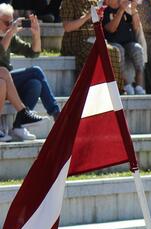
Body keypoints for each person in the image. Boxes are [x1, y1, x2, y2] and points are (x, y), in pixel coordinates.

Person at [0, 5, 51, 141]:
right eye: (6, 23)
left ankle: (19, 126)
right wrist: (10, 32)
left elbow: (34, 53)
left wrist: (36, 33)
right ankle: (54, 112)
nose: (9, 26)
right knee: (5, 74)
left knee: (34, 83)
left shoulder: (9, 36)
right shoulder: (8, 35)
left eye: (11, 22)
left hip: (5, 82)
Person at [61, 0, 122, 86]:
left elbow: (96, 22)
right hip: (77, 41)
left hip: (93, 39)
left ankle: (115, 89)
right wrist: (86, 16)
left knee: (115, 51)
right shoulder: (68, 2)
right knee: (108, 52)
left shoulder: (92, 2)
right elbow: (67, 27)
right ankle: (107, 87)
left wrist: (99, 17)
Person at [103, 0, 145, 95]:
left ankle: (139, 86)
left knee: (137, 49)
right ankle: (125, 84)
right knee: (119, 50)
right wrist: (121, 10)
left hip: (128, 42)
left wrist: (133, 10)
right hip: (112, 42)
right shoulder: (105, 10)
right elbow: (111, 29)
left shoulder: (127, 9)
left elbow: (136, 26)